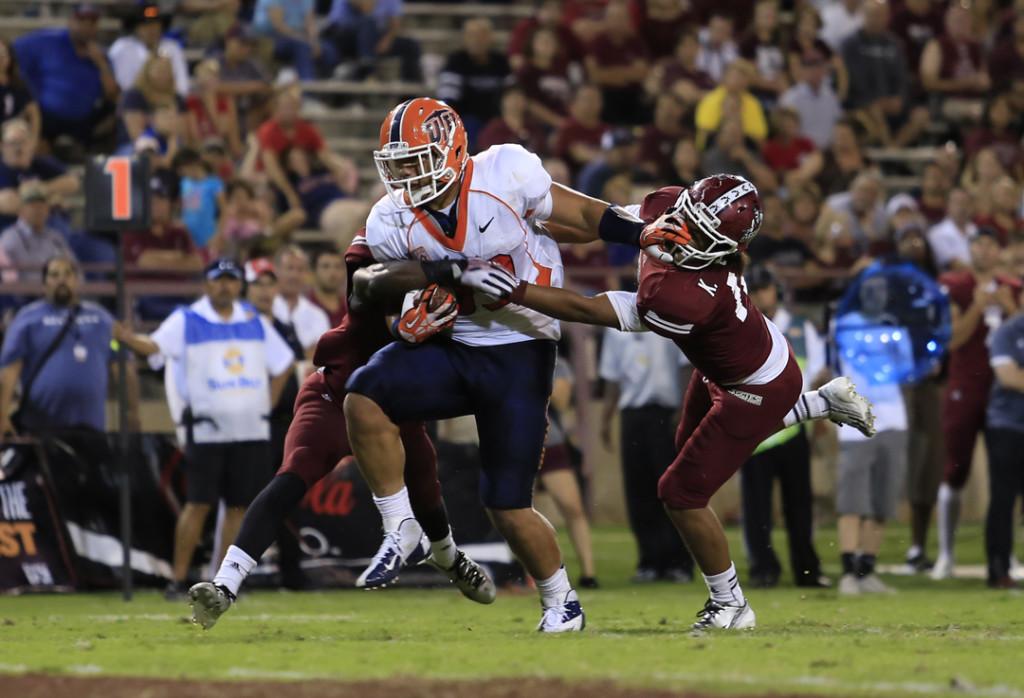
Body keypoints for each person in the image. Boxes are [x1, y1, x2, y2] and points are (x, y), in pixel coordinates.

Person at [465, 176, 875, 630]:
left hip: (755, 385)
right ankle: (819, 403)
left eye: (704, 233)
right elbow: (601, 220)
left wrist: (514, 290)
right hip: (728, 363)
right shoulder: (666, 203)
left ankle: (731, 603)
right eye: (689, 219)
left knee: (680, 493)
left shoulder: (684, 299)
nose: (689, 235)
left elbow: (587, 309)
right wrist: (528, 229)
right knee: (686, 451)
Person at [340, 97, 684, 632]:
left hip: (521, 347)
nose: (406, 175)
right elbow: (366, 287)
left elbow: (586, 215)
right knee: (364, 394)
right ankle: (399, 525)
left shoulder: (505, 172)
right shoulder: (390, 216)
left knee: (506, 503)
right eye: (398, 164)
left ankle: (561, 602)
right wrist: (440, 282)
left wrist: (640, 232)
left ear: (453, 149)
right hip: (453, 342)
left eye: (416, 159)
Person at [186, 237, 497, 629]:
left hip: (392, 411)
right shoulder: (373, 272)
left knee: (427, 490)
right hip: (334, 398)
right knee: (290, 479)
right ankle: (225, 585)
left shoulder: (454, 313)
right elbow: (367, 277)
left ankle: (448, 556)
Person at [113, 258, 296, 600]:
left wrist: (267, 404)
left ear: (238, 285)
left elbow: (284, 363)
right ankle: (178, 580)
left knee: (240, 507)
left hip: (249, 431)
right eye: (219, 280)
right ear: (207, 284)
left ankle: (222, 581)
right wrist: (126, 340)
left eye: (231, 280)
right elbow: (154, 347)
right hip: (208, 430)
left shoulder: (254, 320)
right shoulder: (187, 319)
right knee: (198, 504)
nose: (225, 286)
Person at [932, 228, 1020, 580]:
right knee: (955, 469)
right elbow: (952, 340)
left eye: (989, 243)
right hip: (966, 385)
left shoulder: (1012, 286)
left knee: (1008, 478)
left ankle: (1007, 555)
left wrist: (1010, 305)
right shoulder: (956, 286)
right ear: (970, 250)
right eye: (978, 244)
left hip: (1006, 391)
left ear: (999, 250)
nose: (984, 249)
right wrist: (979, 307)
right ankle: (946, 554)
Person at [739, 265, 828, 589]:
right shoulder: (743, 328)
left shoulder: (801, 328)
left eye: (765, 289)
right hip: (757, 432)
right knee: (757, 506)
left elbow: (818, 371)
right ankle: (764, 568)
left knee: (799, 504)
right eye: (755, 290)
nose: (761, 295)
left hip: (792, 426)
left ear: (776, 290)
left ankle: (806, 568)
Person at [598, 298, 693, 584]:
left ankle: (679, 563)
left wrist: (684, 410)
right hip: (632, 414)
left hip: (667, 413)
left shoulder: (671, 317)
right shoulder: (617, 324)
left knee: (670, 490)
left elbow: (686, 366)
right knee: (638, 491)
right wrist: (606, 416)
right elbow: (612, 377)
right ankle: (649, 561)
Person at [0, 255, 137, 437]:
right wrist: (2, 415)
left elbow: (122, 365)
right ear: (44, 284)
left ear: (77, 281)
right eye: (54, 275)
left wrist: (132, 412)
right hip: (39, 427)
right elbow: (9, 370)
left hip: (91, 428)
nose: (61, 280)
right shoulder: (28, 319)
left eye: (67, 274)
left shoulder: (102, 319)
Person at [14, 3, 119, 149]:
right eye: (81, 20)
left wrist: (101, 64)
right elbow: (10, 51)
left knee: (115, 112)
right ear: (70, 21)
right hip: (46, 116)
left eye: (92, 22)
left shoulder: (101, 56)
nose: (86, 27)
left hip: (83, 120)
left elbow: (112, 94)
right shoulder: (47, 41)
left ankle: (84, 149)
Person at [538, 352, 598, 588]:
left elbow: (562, 400)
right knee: (519, 510)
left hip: (550, 440)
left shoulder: (554, 361)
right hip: (515, 440)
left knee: (572, 507)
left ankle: (588, 574)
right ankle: (530, 576)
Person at [984, 312, 1024, 588]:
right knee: (1003, 499)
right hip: (1007, 426)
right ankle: (998, 569)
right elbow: (1009, 377)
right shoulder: (1008, 332)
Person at [436, 18, 510, 147]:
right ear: (464, 38)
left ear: (490, 38)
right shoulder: (456, 62)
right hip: (466, 121)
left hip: (498, 119)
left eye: (481, 35)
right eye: (471, 35)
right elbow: (447, 101)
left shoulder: (500, 62)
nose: (477, 40)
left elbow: (512, 94)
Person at [0, 119, 81, 231]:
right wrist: (51, 200)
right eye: (13, 143)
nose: (19, 148)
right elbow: (7, 204)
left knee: (100, 248)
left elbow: (73, 182)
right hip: (13, 231)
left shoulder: (39, 162)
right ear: (2, 145)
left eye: (23, 142)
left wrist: (42, 188)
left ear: (31, 143)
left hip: (54, 228)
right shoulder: (3, 169)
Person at [323, 0, 422, 82]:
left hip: (373, 39)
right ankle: (367, 69)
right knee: (368, 23)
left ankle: (409, 94)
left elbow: (395, 21)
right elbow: (366, 9)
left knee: (411, 46)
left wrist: (387, 40)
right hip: (344, 34)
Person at [108, 2, 189, 97]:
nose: (151, 29)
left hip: (168, 102)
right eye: (145, 25)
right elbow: (124, 85)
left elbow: (182, 86)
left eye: (155, 24)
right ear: (136, 27)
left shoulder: (172, 47)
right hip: (135, 103)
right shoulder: (123, 48)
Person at [0, 182, 74, 281]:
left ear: (47, 209)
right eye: (32, 206)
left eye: (42, 206)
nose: (38, 210)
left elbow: (75, 269)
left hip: (58, 293)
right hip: (27, 294)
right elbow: (9, 281)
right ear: (21, 209)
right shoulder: (10, 238)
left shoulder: (55, 237)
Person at [252, 0, 337, 81]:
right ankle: (308, 89)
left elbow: (310, 24)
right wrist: (304, 40)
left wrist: (315, 42)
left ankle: (328, 87)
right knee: (302, 48)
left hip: (298, 36)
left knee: (328, 49)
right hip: (270, 39)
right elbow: (279, 26)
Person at [273, 245, 330, 358]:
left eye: (300, 270)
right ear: (277, 271)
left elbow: (319, 356)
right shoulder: (266, 308)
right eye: (290, 268)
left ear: (307, 275)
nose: (294, 275)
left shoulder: (318, 315)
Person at [927, 188, 978, 271]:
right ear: (947, 206)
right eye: (957, 203)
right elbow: (954, 265)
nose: (962, 207)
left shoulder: (976, 230)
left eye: (965, 203)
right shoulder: (936, 233)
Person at [0, 38, 40, 144]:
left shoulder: (18, 83)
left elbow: (34, 113)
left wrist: (33, 141)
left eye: (3, 54)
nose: (1, 59)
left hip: (14, 134)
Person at [308, 246, 346, 328]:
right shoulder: (305, 307)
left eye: (338, 266)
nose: (332, 273)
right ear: (313, 272)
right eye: (325, 266)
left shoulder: (351, 309)